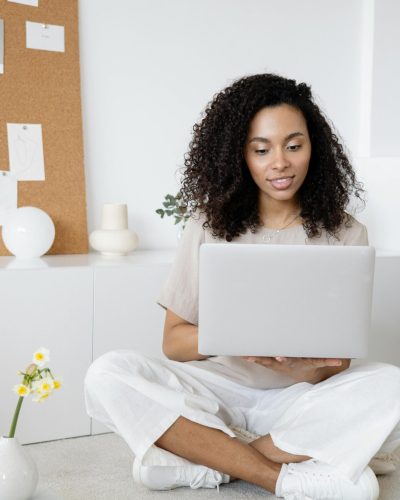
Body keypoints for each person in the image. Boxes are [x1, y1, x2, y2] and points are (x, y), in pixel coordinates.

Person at [85, 74, 400, 499]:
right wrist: (234, 339)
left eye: (294, 145)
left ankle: (211, 460)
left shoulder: (346, 232)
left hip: (298, 398)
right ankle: (282, 476)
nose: (280, 163)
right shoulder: (208, 225)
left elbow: (337, 363)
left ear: (314, 148)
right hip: (215, 394)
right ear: (240, 155)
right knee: (108, 373)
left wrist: (295, 367)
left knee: (391, 385)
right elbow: (174, 344)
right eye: (261, 149)